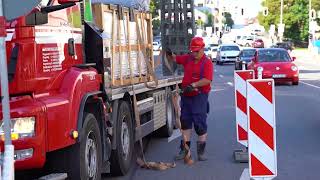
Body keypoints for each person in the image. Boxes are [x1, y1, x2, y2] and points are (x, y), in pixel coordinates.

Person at [166, 37, 213, 161]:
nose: (195, 54)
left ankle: (201, 153)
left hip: (199, 97)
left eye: (197, 51)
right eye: (193, 51)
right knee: (185, 123)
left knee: (200, 125)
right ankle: (185, 151)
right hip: (187, 97)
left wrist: (193, 85)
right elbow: (176, 59)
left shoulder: (207, 63)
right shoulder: (188, 58)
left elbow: (207, 80)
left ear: (203, 49)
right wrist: (170, 54)